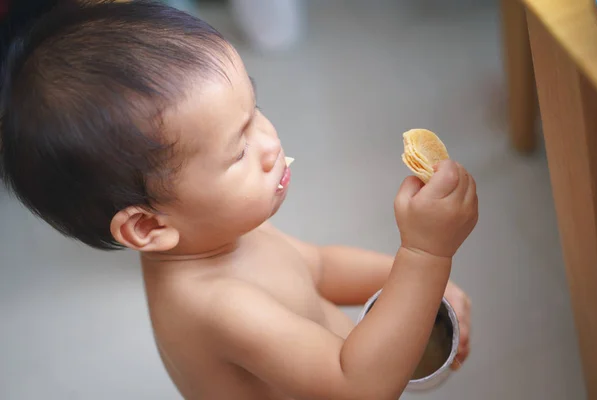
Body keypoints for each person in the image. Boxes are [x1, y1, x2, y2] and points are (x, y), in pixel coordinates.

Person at [0, 1, 478, 399]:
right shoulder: (217, 304)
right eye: (239, 149)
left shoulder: (212, 230)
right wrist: (425, 255)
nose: (270, 143)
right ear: (147, 227)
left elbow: (319, 267)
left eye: (256, 110)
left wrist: (416, 287)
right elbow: (357, 386)